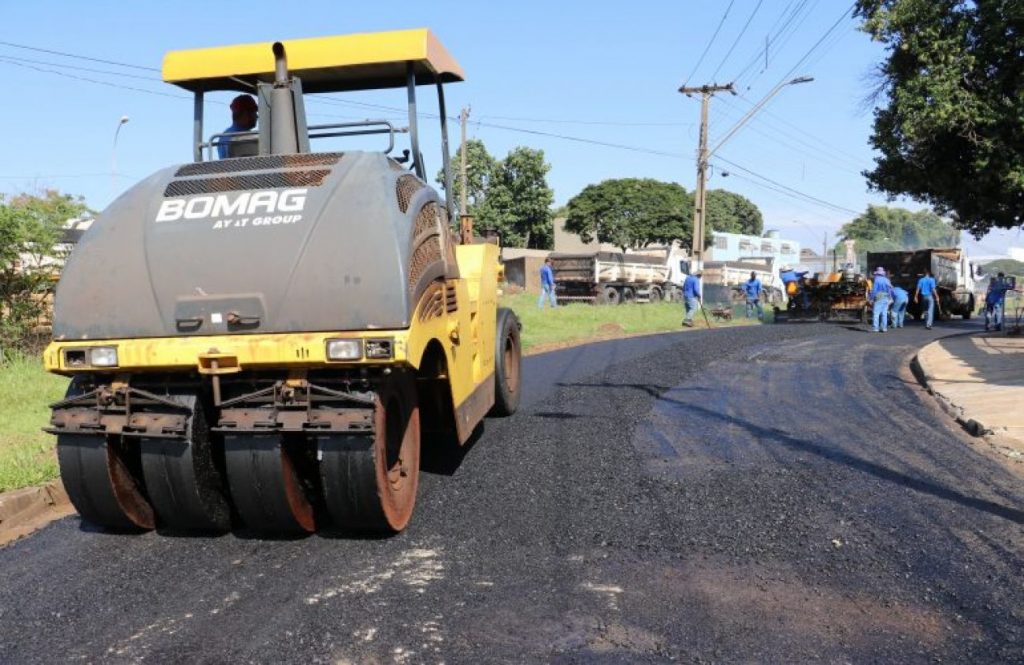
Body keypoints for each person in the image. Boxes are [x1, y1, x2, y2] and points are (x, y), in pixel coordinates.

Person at [217, 94, 258, 159]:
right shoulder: (248, 138)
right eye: (254, 112)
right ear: (245, 114)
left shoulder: (223, 136)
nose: (257, 116)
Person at [869, 266, 895, 332]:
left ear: (877, 274)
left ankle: (875, 328)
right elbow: (890, 289)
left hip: (879, 297)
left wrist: (871, 298)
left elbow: (874, 290)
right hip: (886, 297)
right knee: (884, 313)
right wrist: (891, 297)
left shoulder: (876, 280)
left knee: (876, 313)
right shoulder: (887, 280)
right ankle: (884, 328)